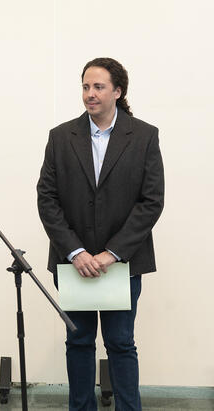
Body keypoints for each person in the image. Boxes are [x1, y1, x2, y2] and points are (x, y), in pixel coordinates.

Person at [37, 58, 164, 410]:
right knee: (78, 343)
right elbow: (46, 199)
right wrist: (76, 252)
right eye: (85, 87)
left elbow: (151, 202)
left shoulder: (144, 136)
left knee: (121, 343)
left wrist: (112, 253)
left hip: (122, 263)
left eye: (98, 87)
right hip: (73, 261)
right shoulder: (61, 137)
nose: (89, 94)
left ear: (117, 91)